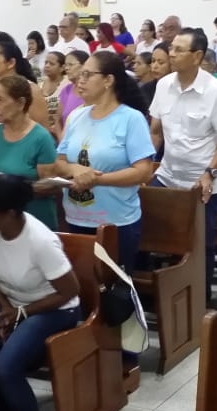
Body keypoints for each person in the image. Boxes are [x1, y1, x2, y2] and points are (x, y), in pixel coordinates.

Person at [0, 175, 80, 411]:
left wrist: (22, 314)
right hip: (13, 303)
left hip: (55, 308)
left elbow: (70, 291)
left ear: (9, 213)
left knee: (6, 368)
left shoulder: (40, 241)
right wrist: (6, 308)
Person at [149, 29, 217, 301]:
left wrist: (209, 173)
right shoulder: (163, 85)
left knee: (200, 244)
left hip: (203, 181)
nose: (171, 54)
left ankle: (200, 301)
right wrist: (145, 164)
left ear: (197, 56)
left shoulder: (215, 90)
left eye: (179, 50)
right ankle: (158, 295)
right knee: (148, 229)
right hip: (167, 176)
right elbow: (156, 131)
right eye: (171, 48)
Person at [56, 52, 153, 268]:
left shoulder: (131, 119)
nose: (80, 81)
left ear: (108, 80)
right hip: (76, 218)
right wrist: (74, 169)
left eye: (87, 75)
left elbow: (143, 171)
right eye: (80, 74)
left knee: (112, 284)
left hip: (115, 223)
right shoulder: (76, 116)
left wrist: (97, 180)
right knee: (83, 282)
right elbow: (59, 162)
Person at [0, 76, 59, 229]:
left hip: (33, 220)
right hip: (1, 219)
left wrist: (15, 189)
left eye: (0, 100)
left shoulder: (41, 138)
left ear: (21, 103)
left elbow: (50, 187)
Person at [56, 50, 89, 127]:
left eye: (70, 64)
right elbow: (57, 121)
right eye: (65, 65)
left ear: (84, 66)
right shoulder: (66, 90)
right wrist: (61, 134)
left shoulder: (94, 91)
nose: (66, 68)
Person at [40, 51, 66, 135]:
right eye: (46, 63)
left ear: (62, 68)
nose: (47, 66)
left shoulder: (67, 85)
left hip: (59, 132)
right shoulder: (39, 82)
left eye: (51, 64)